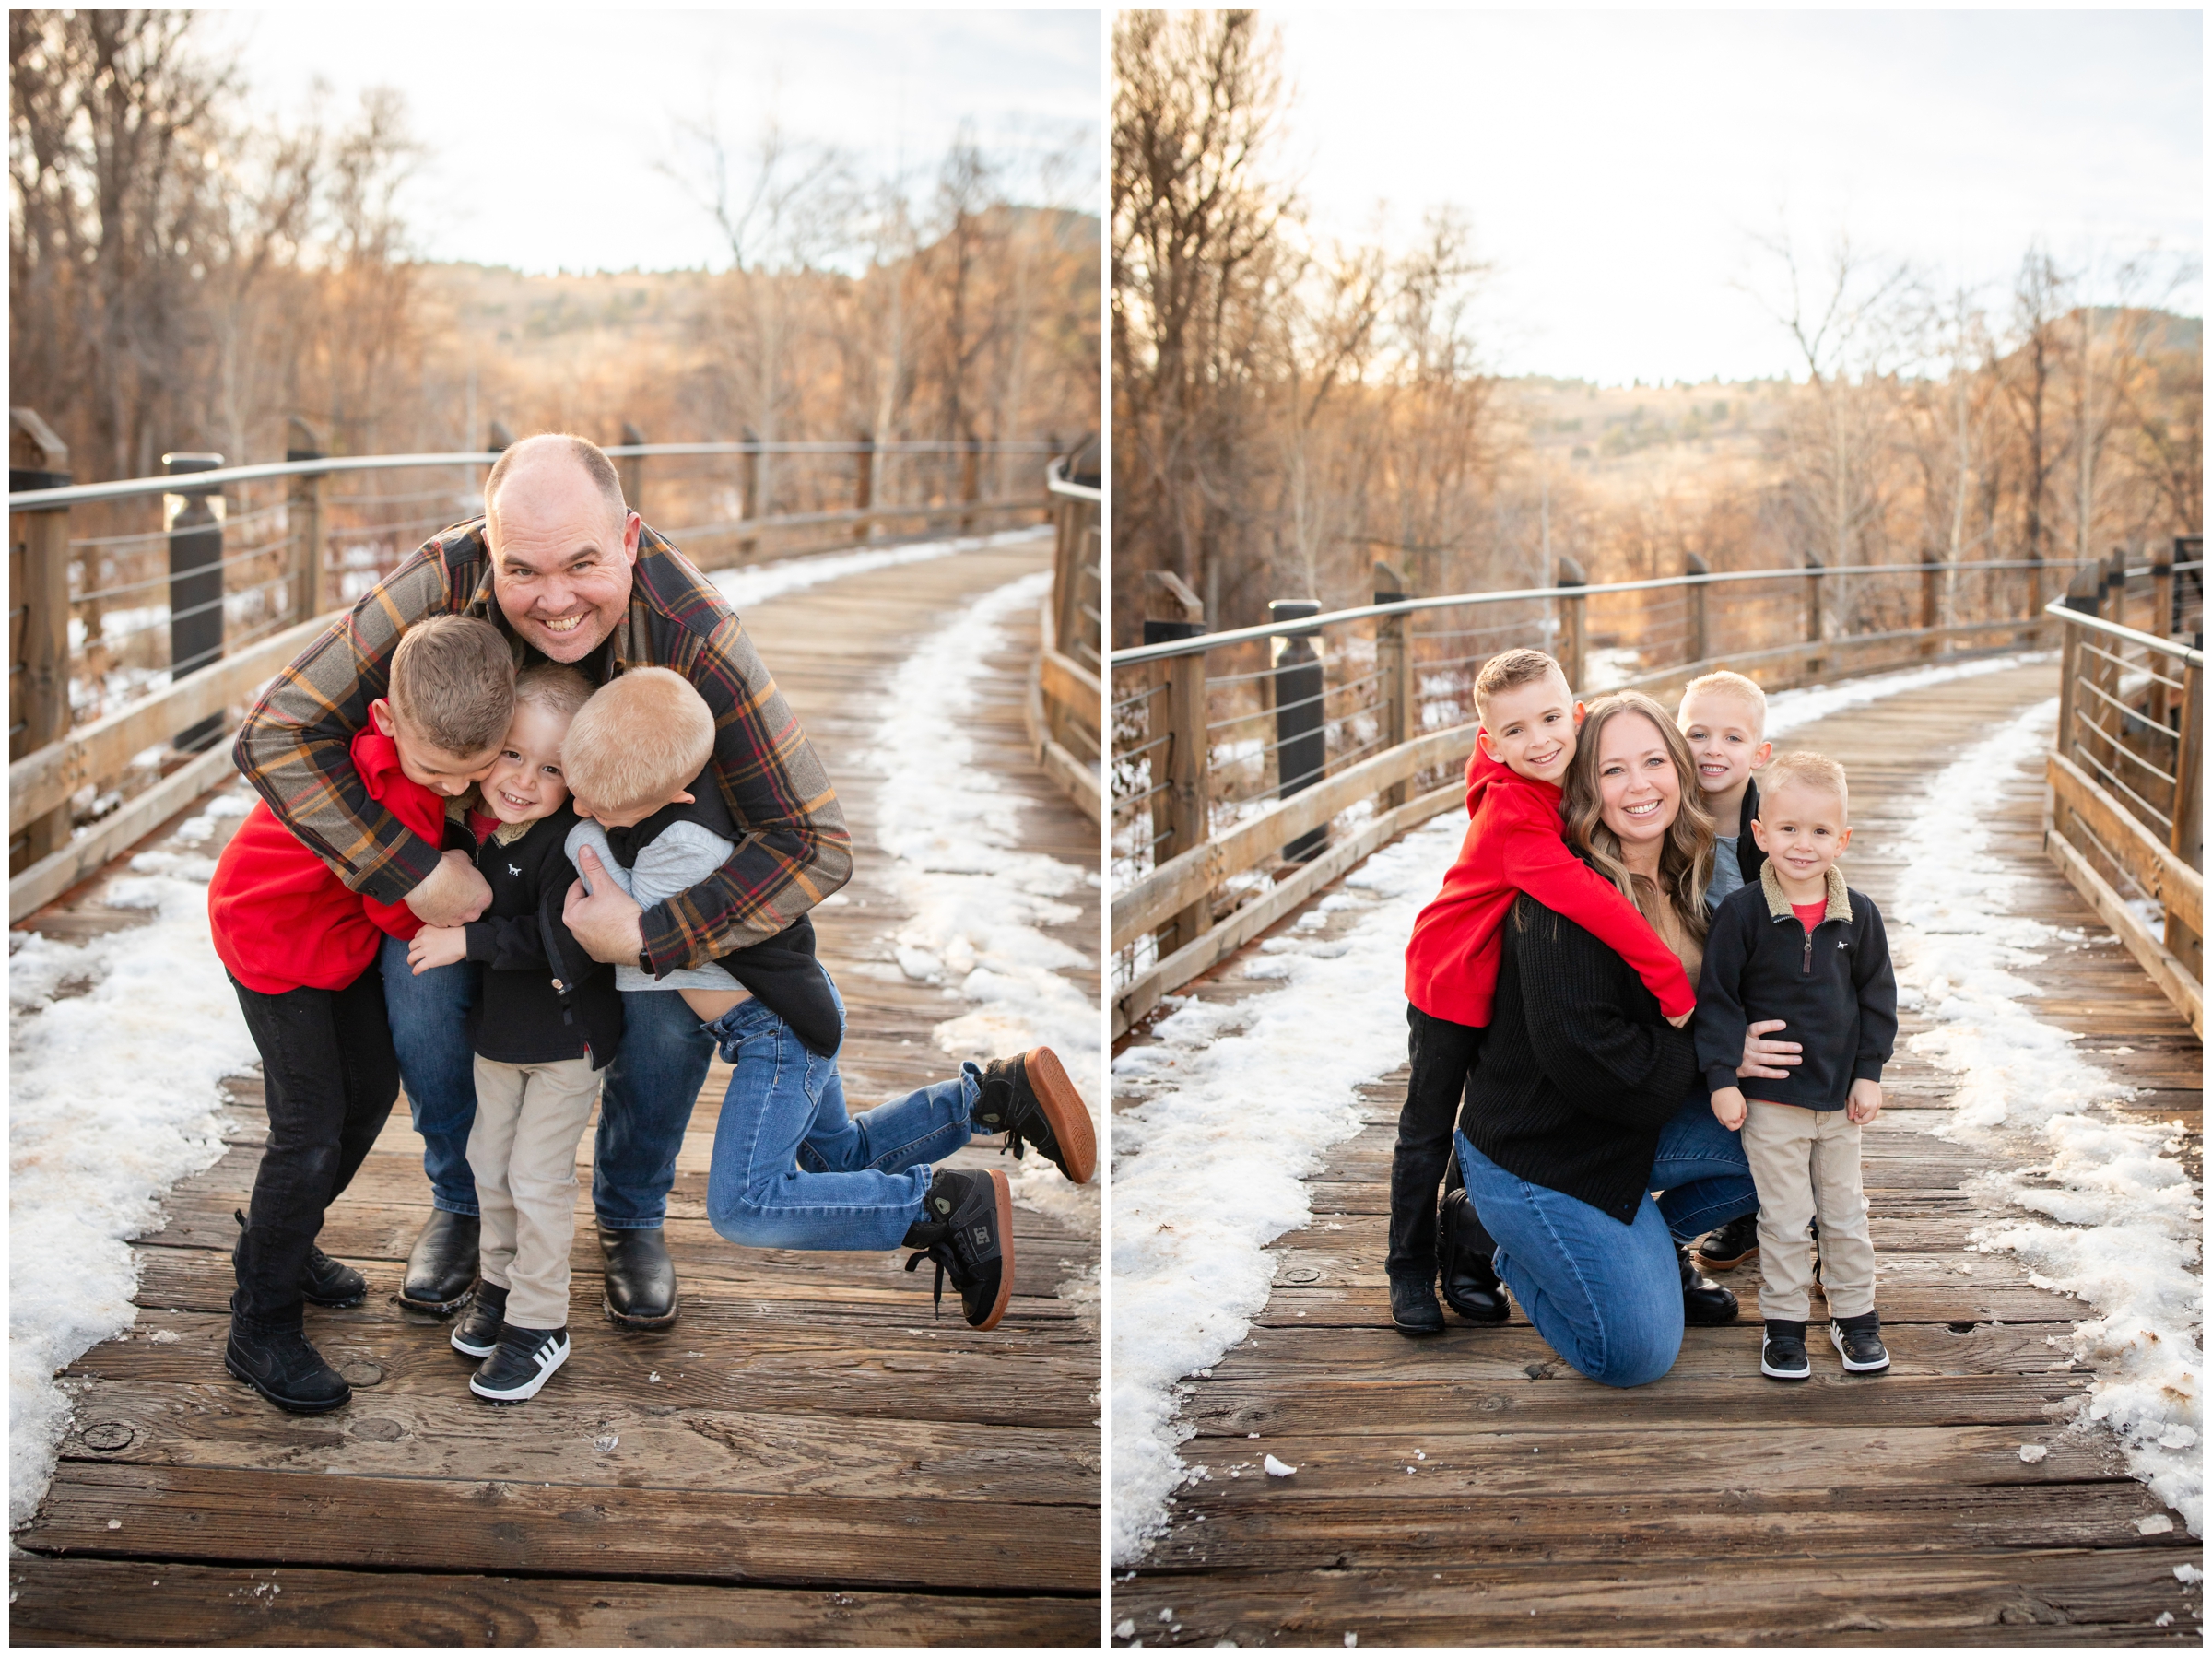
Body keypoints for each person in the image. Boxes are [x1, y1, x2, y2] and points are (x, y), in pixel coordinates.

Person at [231, 431, 852, 1331]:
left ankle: (631, 1214)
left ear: (631, 540)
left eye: (585, 564)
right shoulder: (442, 578)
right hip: (475, 862)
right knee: (419, 977)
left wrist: (653, 932)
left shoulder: (695, 633)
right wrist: (411, 872)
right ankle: (462, 1199)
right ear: (489, 549)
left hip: (629, 876)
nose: (556, 602)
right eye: (524, 570)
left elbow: (815, 842)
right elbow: (274, 731)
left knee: (665, 990)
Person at [558, 668, 1096, 1331]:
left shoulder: (679, 848)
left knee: (746, 1204)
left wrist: (574, 838)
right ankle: (993, 1097)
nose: (582, 810)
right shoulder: (674, 804)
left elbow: (620, 928)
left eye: (599, 805)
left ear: (676, 794)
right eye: (575, 791)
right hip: (792, 1012)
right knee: (834, 1159)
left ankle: (939, 1208)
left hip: (774, 1035)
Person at [207, 616, 514, 1411]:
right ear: (385, 721)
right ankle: (260, 1323)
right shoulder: (388, 794)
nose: (452, 788)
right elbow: (401, 914)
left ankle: (285, 1236)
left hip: (332, 942)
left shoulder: (422, 771)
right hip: (274, 944)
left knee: (371, 1091)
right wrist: (465, 891)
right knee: (308, 1128)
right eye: (437, 769)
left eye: (471, 771)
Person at [1453, 692, 1760, 1388]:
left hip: (1631, 1124)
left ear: (1681, 770)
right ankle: (1507, 1239)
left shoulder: (1692, 870)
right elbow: (1591, 1061)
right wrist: (1722, 1056)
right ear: (1587, 787)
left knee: (1794, 1138)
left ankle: (1648, 1242)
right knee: (1635, 1357)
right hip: (1545, 1151)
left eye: (1654, 761)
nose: (1640, 785)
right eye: (1614, 770)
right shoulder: (1562, 893)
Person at [1394, 650, 1696, 1337]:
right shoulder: (1513, 814)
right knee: (1429, 1127)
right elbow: (1592, 901)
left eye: (1553, 719)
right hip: (1449, 978)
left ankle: (1471, 1237)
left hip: (1501, 975)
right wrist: (1670, 980)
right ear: (1490, 743)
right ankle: (1409, 1267)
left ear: (1577, 714)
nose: (1541, 742)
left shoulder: (1562, 777)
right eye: (1517, 732)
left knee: (1485, 1114)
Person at [406, 664, 620, 1401]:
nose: (525, 779)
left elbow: (565, 937)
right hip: (501, 1043)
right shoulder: (491, 834)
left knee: (536, 1179)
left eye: (552, 767)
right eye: (513, 754)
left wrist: (472, 944)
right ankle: (497, 1288)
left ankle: (541, 1323)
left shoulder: (573, 845)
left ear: (578, 777)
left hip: (564, 1044)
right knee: (489, 1166)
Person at [1698, 751, 1898, 1381]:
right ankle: (1784, 1326)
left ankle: (1855, 1317)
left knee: (1844, 1215)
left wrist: (1870, 1072)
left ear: (1842, 838)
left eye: (1819, 832)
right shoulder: (1743, 914)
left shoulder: (1857, 916)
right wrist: (1723, 1077)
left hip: (1840, 1104)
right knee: (1782, 1220)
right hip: (1771, 1104)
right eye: (1787, 829)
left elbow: (1877, 998)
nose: (1802, 846)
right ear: (1759, 834)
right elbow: (1720, 1003)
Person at [1676, 668, 1780, 1275]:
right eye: (1697, 734)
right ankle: (1738, 1201)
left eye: (1732, 738)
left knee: (1784, 1081)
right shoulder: (1663, 814)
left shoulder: (1772, 826)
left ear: (1759, 752)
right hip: (1695, 982)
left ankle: (1813, 1224)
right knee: (1721, 1101)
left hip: (1764, 981)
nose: (1713, 749)